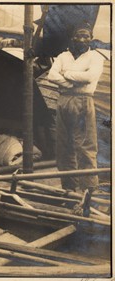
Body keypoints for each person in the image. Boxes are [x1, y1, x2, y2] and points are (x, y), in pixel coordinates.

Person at [47, 23, 104, 194]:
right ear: (73, 38)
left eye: (86, 36)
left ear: (91, 39)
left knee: (85, 147)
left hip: (83, 101)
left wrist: (66, 75)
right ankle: (69, 188)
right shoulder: (63, 56)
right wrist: (72, 83)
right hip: (63, 101)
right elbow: (51, 75)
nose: (82, 39)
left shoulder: (95, 57)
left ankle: (89, 190)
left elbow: (90, 77)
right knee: (64, 146)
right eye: (79, 35)